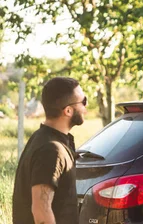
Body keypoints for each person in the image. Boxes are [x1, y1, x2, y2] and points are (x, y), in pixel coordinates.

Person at [13, 76, 87, 224]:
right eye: (83, 101)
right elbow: (41, 211)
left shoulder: (43, 138)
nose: (86, 106)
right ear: (68, 110)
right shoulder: (51, 149)